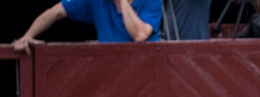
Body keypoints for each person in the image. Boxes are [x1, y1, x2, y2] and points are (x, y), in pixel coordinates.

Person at [14, 0, 162, 53]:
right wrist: (28, 36)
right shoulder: (96, 1)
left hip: (146, 73)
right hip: (112, 71)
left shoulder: (151, 0)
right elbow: (55, 12)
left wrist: (122, 1)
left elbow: (140, 35)